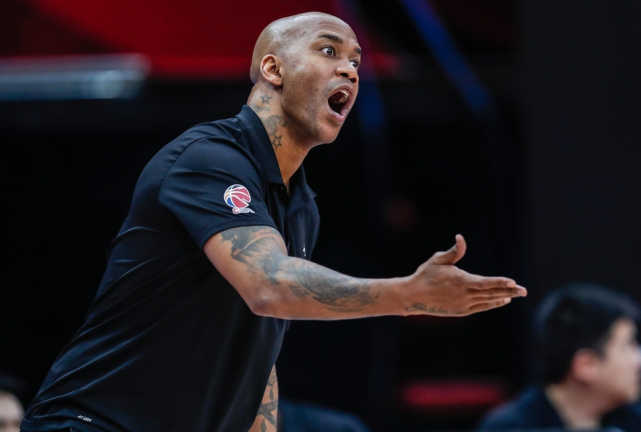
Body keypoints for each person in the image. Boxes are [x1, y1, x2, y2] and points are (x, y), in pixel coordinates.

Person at [20, 11, 526, 432]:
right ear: (273, 68)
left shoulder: (301, 207)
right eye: (329, 51)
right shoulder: (209, 157)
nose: (350, 70)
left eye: (356, 60)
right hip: (91, 422)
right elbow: (269, 286)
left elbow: (259, 352)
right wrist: (406, 294)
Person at [476, 283, 641, 431]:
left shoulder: (631, 419)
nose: (638, 361)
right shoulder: (508, 428)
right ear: (586, 364)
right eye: (629, 345)